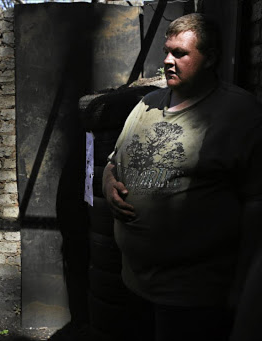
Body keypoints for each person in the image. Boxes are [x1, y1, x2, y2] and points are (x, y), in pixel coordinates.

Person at [102, 13, 262, 341]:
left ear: (211, 58)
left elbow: (256, 205)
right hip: (133, 283)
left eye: (180, 53)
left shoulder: (240, 114)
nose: (167, 61)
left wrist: (243, 286)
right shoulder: (146, 104)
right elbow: (112, 161)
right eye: (166, 51)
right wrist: (108, 184)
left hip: (192, 296)